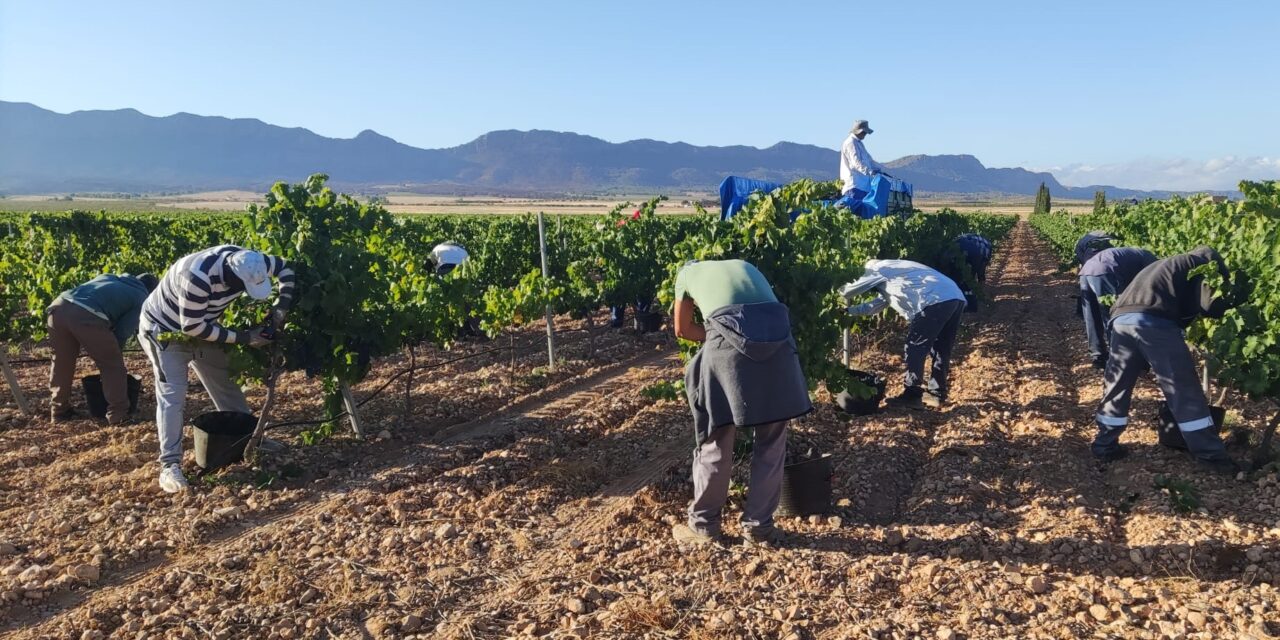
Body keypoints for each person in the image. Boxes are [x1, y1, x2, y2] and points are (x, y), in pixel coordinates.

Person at [670, 259, 811, 547]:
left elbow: (682, 330)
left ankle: (704, 527)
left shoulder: (685, 274)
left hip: (726, 339)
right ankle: (759, 530)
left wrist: (716, 336)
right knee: (772, 441)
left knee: (717, 433)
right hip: (778, 339)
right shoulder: (744, 264)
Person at [139, 246, 296, 493]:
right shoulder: (197, 277)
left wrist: (281, 306)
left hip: (204, 327)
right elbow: (192, 328)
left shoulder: (252, 261)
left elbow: (286, 268)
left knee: (226, 383)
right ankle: (169, 465)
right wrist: (246, 338)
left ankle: (251, 440)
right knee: (173, 396)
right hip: (164, 332)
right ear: (232, 277)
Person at [1092, 246, 1243, 473]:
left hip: (1121, 320)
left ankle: (1104, 445)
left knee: (1117, 385)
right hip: (1154, 323)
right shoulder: (1201, 267)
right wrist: (1235, 299)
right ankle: (1212, 457)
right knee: (1183, 388)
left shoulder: (1166, 264)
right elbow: (1209, 306)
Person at [843, 259, 966, 410]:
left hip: (934, 300)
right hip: (954, 297)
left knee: (914, 346)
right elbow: (873, 306)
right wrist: (848, 312)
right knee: (941, 348)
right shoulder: (896, 275)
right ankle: (937, 393)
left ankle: (912, 394)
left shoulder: (878, 268)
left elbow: (847, 291)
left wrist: (834, 285)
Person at [46, 273, 159, 424]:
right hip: (85, 314)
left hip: (58, 308)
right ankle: (118, 415)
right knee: (112, 366)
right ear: (152, 291)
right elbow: (122, 332)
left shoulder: (111, 278)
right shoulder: (141, 298)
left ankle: (59, 412)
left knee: (61, 363)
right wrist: (113, 352)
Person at [1078, 246, 1157, 369]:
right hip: (1106, 271)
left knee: (1091, 316)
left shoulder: (1138, 254)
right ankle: (1119, 360)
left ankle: (1098, 356)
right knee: (1114, 315)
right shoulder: (1154, 263)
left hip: (1086, 270)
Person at [839, 120, 888, 197]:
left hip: (863, 186)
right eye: (864, 132)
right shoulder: (850, 143)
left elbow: (869, 160)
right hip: (854, 185)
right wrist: (870, 172)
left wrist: (879, 170)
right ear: (860, 132)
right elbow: (856, 163)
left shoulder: (859, 143)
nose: (865, 135)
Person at [952, 233, 993, 311]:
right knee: (973, 275)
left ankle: (965, 298)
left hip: (965, 248)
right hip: (974, 251)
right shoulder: (986, 246)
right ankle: (975, 297)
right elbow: (981, 270)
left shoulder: (962, 240)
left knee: (960, 275)